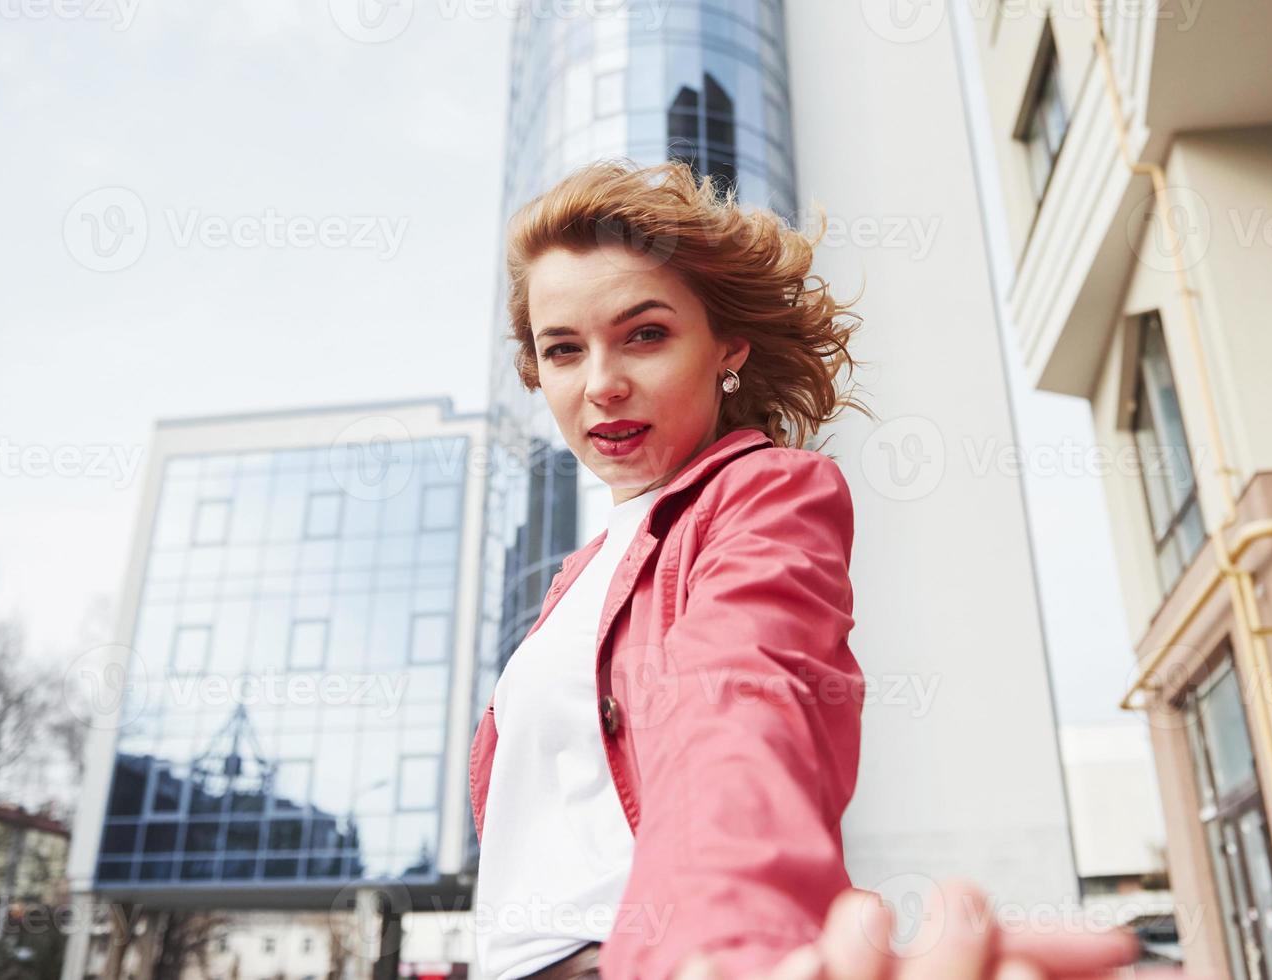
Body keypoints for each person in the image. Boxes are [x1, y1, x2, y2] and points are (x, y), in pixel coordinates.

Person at [467, 159, 1157, 980]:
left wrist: (721, 951)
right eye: (563, 350)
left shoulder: (762, 494)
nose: (603, 384)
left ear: (727, 348)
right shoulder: (574, 580)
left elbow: (739, 701)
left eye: (644, 335)